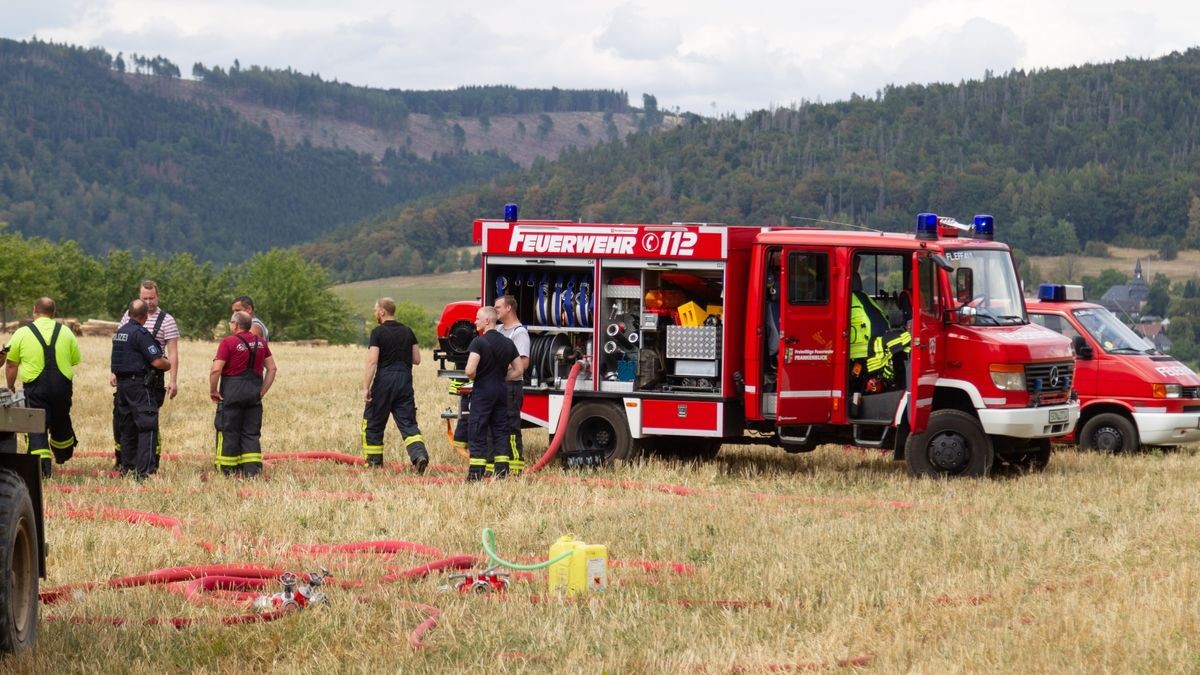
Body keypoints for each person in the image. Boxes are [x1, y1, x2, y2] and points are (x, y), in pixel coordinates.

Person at [5, 297, 82, 477]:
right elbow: (74, 359)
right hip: (62, 387)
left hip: (35, 388)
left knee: (37, 426)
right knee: (60, 418)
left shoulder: (22, 333)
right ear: (54, 312)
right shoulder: (66, 332)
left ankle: (42, 470)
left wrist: (10, 387)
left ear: (34, 310)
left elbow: (11, 364)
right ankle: (64, 452)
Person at [113, 280, 180, 473]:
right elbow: (122, 347)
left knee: (145, 424)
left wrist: (173, 380)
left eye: (152, 298)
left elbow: (173, 352)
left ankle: (149, 463)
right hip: (136, 379)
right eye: (145, 298)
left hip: (151, 381)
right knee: (134, 424)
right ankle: (135, 467)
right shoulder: (129, 316)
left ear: (158, 296)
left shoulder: (167, 320)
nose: (149, 302)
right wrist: (114, 372)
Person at [361, 298, 429, 473]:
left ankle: (374, 463)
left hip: (384, 380)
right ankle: (419, 455)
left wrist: (365, 387)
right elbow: (417, 359)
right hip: (405, 381)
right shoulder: (408, 331)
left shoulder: (378, 332)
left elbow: (372, 361)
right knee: (408, 423)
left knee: (374, 422)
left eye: (376, 310)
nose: (375, 313)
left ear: (382, 311)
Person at [210, 311, 276, 477]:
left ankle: (227, 470)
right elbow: (272, 368)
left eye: (231, 323)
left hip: (232, 392)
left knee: (228, 430)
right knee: (251, 433)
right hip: (253, 392)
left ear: (236, 325)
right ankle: (252, 471)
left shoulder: (228, 342)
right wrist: (262, 392)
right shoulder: (261, 343)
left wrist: (213, 390)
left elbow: (216, 369)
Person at [464, 306, 522, 480]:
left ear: (487, 321)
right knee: (500, 429)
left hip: (483, 390)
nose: (475, 322)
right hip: (501, 390)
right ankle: (502, 471)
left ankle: (476, 473)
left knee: (477, 428)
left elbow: (469, 370)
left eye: (477, 318)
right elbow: (519, 370)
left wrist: (477, 377)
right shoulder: (508, 342)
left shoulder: (478, 342)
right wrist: (502, 378)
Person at [494, 294, 530, 474]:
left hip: (512, 387)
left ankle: (516, 466)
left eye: (498, 307)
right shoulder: (498, 329)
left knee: (511, 427)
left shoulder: (519, 332)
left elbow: (523, 363)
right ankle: (501, 465)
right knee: (498, 426)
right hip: (499, 386)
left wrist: (499, 367)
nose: (495, 310)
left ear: (509, 308)